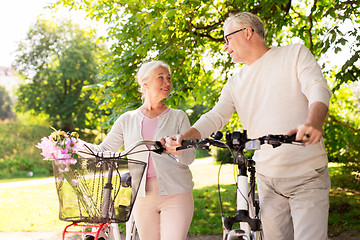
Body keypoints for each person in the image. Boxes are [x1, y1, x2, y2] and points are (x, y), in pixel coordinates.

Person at [165, 12, 332, 240]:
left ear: (247, 32)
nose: (225, 47)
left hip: (306, 173)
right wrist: (184, 137)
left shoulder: (293, 53)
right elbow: (216, 116)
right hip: (267, 180)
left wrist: (313, 123)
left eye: (227, 39)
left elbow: (317, 88)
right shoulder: (236, 82)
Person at [85, 60, 195, 240]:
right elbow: (104, 150)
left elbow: (189, 157)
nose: (167, 82)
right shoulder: (126, 119)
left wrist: (179, 150)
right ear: (145, 83)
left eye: (169, 78)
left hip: (176, 193)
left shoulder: (178, 116)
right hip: (142, 197)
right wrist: (72, 144)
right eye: (161, 78)